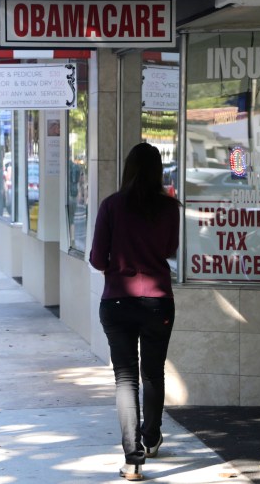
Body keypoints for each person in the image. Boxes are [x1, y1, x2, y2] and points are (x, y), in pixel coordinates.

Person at [89, 142, 181, 482]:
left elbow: (97, 259)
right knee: (153, 372)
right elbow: (170, 249)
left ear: (128, 169)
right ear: (159, 172)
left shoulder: (111, 206)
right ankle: (152, 436)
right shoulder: (170, 208)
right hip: (158, 301)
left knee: (125, 379)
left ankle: (133, 459)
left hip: (116, 301)